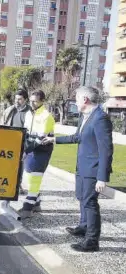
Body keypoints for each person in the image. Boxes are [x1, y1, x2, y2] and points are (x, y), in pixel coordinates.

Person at [42, 86, 113, 252]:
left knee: (90, 202)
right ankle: (83, 227)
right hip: (82, 167)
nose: (75, 101)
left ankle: (92, 241)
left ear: (85, 100)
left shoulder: (100, 118)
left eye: (76, 98)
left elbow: (106, 149)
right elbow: (77, 137)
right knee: (81, 197)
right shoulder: (85, 117)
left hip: (93, 170)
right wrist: (54, 140)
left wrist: (102, 177)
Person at [19, 90, 55, 219]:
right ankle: (37, 203)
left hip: (42, 150)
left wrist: (24, 151)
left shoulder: (47, 116)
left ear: (42, 101)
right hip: (31, 149)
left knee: (34, 179)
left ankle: (27, 208)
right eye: (31, 100)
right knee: (29, 177)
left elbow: (40, 138)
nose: (32, 103)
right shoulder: (29, 114)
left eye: (35, 101)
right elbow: (26, 133)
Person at [0, 89, 32, 195]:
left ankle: (17, 185)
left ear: (25, 100)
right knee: (7, 164)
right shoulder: (11, 110)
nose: (17, 101)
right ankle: (7, 184)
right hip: (9, 142)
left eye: (19, 99)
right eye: (16, 99)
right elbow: (3, 123)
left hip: (22, 143)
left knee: (19, 165)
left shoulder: (30, 112)